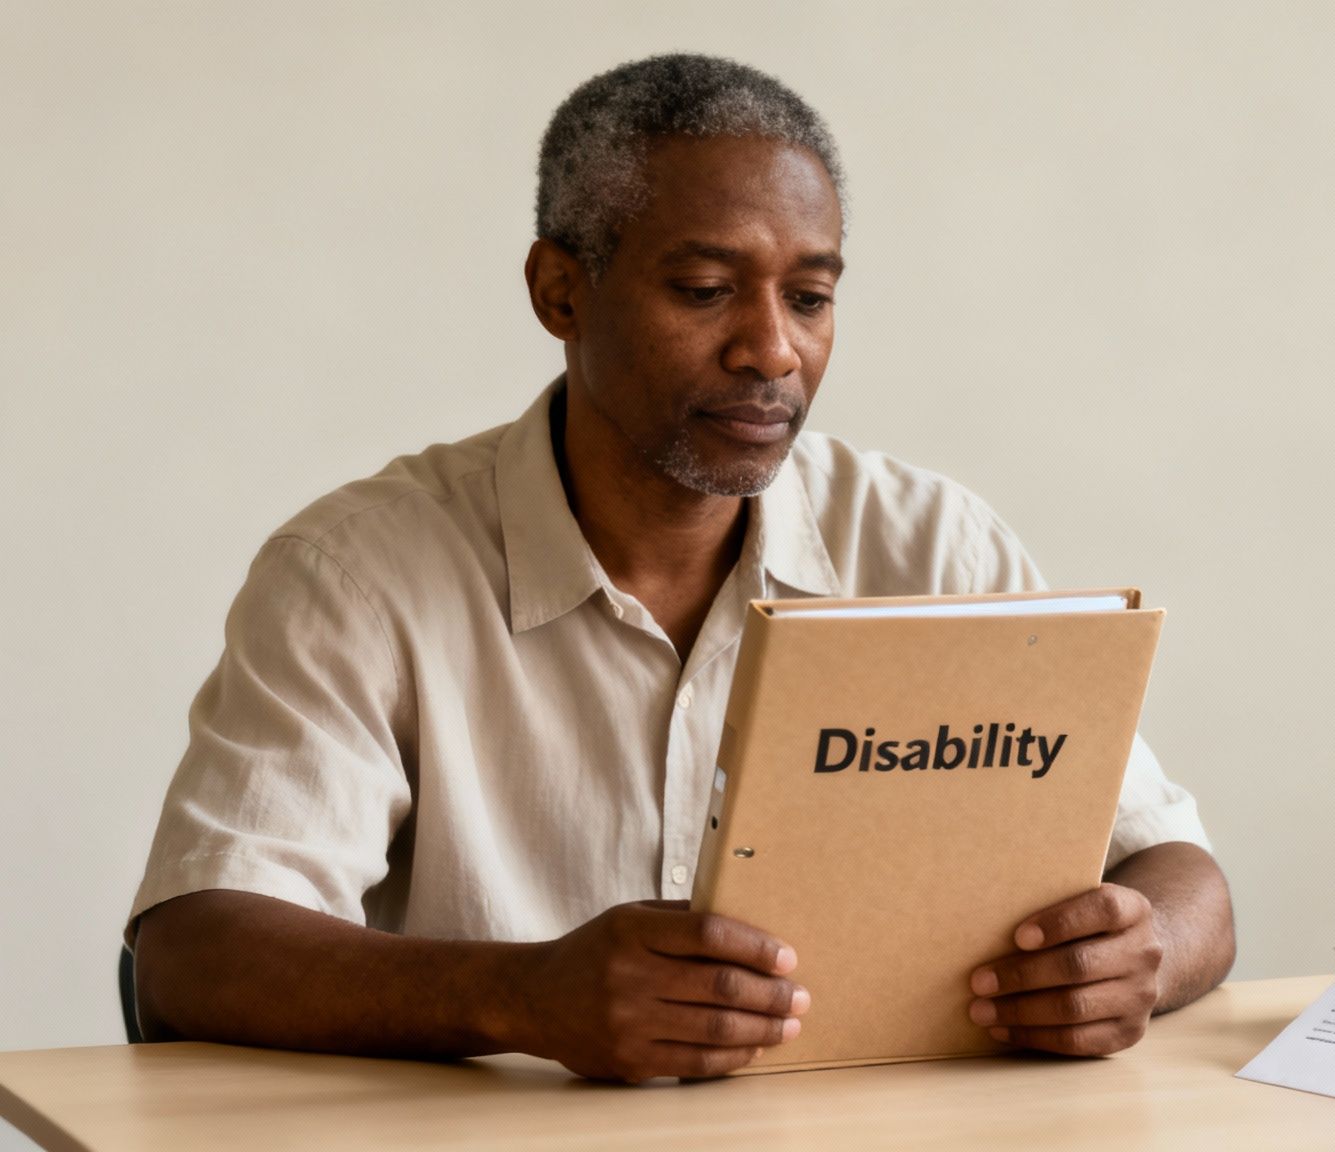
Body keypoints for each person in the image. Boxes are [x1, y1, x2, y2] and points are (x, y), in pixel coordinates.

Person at [128, 53, 1234, 1083]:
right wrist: (519, 997)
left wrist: (1138, 958)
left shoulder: (934, 546)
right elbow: (197, 946)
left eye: (808, 296)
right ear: (560, 294)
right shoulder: (358, 572)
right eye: (705, 290)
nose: (773, 351)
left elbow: (1182, 878)